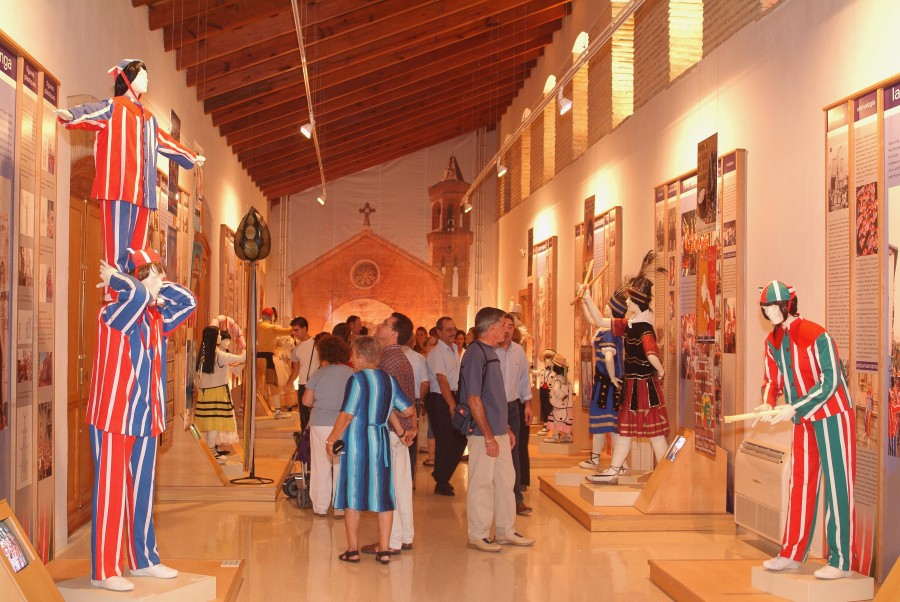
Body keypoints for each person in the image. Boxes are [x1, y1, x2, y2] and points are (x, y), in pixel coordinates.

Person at [87, 248, 196, 591]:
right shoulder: (112, 312)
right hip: (114, 418)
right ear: (135, 279)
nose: (163, 278)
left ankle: (144, 559)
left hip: (146, 419)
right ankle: (105, 570)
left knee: (143, 493)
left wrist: (154, 287)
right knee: (110, 493)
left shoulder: (154, 318)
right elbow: (134, 299)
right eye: (154, 272)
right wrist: (123, 282)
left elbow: (188, 301)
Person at [55, 60, 204, 275]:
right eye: (142, 75)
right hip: (117, 189)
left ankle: (135, 292)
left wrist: (190, 156)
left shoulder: (149, 119)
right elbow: (93, 112)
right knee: (116, 256)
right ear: (127, 78)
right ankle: (116, 293)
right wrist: (71, 115)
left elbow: (165, 142)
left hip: (143, 196)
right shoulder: (113, 106)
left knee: (138, 256)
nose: (147, 79)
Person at [753, 280, 856, 580]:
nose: (769, 314)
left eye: (773, 307)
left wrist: (794, 407)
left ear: (788, 305)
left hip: (833, 415)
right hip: (803, 418)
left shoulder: (816, 334)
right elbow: (772, 379)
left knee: (838, 485)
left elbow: (831, 381)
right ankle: (792, 552)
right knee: (800, 483)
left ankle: (840, 560)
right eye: (765, 309)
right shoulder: (772, 341)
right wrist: (767, 402)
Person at [580, 252, 669, 484]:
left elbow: (651, 353)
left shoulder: (642, 328)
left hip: (643, 386)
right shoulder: (632, 323)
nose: (626, 303)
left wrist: (660, 370)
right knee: (629, 430)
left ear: (637, 303)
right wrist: (587, 297)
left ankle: (665, 474)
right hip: (636, 384)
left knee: (654, 434)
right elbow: (600, 321)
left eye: (630, 300)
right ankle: (616, 469)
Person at [326, 337, 415, 565]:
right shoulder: (388, 380)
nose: (351, 359)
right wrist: (400, 430)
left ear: (362, 357)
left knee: (352, 496)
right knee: (384, 495)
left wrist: (331, 439)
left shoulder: (356, 379)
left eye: (353, 355)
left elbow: (347, 414)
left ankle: (352, 550)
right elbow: (407, 410)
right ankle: (384, 550)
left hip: (357, 442)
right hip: (381, 442)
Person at [461, 307, 535, 552]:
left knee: (505, 480)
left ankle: (505, 530)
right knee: (482, 483)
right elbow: (474, 398)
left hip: (499, 431)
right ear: (492, 328)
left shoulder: (491, 352)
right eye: (504, 325)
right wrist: (489, 436)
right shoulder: (475, 354)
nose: (508, 329)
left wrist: (505, 427)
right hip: (484, 434)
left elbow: (494, 396)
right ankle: (478, 534)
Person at [361, 312, 418, 555]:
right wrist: (411, 427)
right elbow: (410, 399)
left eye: (385, 323)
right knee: (402, 486)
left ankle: (392, 541)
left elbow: (388, 401)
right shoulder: (400, 358)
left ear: (394, 333)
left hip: (391, 431)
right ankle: (405, 536)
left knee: (390, 488)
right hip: (401, 432)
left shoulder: (386, 360)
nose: (379, 325)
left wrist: (402, 429)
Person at [303, 335, 353, 517]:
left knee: (320, 465)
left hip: (320, 423)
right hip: (344, 423)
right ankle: (340, 507)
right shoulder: (351, 373)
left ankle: (320, 507)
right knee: (341, 465)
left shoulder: (319, 373)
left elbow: (306, 401)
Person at [578, 288, 627, 471]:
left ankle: (618, 463)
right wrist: (584, 302)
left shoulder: (610, 333)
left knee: (609, 425)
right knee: (604, 424)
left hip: (608, 384)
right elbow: (593, 320)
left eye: (608, 305)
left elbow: (608, 357)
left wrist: (612, 376)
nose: (604, 307)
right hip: (604, 383)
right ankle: (606, 461)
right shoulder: (607, 328)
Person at [495, 313, 533, 515]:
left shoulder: (519, 351)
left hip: (512, 407)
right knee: (492, 452)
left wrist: (528, 405)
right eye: (504, 326)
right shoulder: (490, 350)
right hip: (493, 407)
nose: (508, 330)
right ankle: (493, 498)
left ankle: (516, 499)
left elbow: (524, 380)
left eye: (511, 326)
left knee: (514, 451)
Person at [425, 316, 465, 496]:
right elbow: (441, 379)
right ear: (439, 332)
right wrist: (452, 405)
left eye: (454, 329)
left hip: (453, 396)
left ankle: (441, 475)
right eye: (448, 329)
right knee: (445, 441)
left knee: (460, 439)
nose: (453, 332)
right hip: (440, 399)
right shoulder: (436, 353)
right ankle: (441, 482)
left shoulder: (455, 349)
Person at [195, 327, 245, 460]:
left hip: (205, 393)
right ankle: (211, 450)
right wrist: (244, 345)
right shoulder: (220, 355)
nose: (220, 337)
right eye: (218, 335)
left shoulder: (203, 353)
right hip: (217, 392)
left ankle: (210, 449)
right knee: (215, 424)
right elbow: (242, 358)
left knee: (210, 423)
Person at [285, 316, 319, 431]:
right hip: (303, 384)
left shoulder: (317, 344)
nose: (294, 333)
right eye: (293, 330)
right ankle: (304, 439)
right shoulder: (296, 349)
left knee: (315, 415)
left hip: (317, 385)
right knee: (304, 416)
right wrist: (289, 383)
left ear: (304, 328)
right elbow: (296, 369)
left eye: (296, 330)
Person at [257, 307, 292, 418]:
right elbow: (288, 331)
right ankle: (278, 412)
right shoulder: (272, 328)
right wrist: (295, 325)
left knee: (255, 384)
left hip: (256, 358)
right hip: (267, 358)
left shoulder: (257, 327)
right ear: (271, 317)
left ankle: (241, 408)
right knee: (274, 385)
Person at [543, 355, 574, 443]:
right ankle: (568, 435)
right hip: (567, 406)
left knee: (557, 420)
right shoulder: (566, 380)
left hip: (558, 406)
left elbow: (557, 390)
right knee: (566, 419)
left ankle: (555, 436)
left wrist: (561, 396)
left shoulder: (557, 380)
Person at [535, 349, 556, 436]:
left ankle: (550, 425)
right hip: (542, 390)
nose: (547, 361)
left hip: (549, 391)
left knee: (549, 407)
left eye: (549, 359)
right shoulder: (542, 371)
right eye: (546, 359)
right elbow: (533, 372)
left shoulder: (554, 373)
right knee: (543, 407)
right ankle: (545, 424)